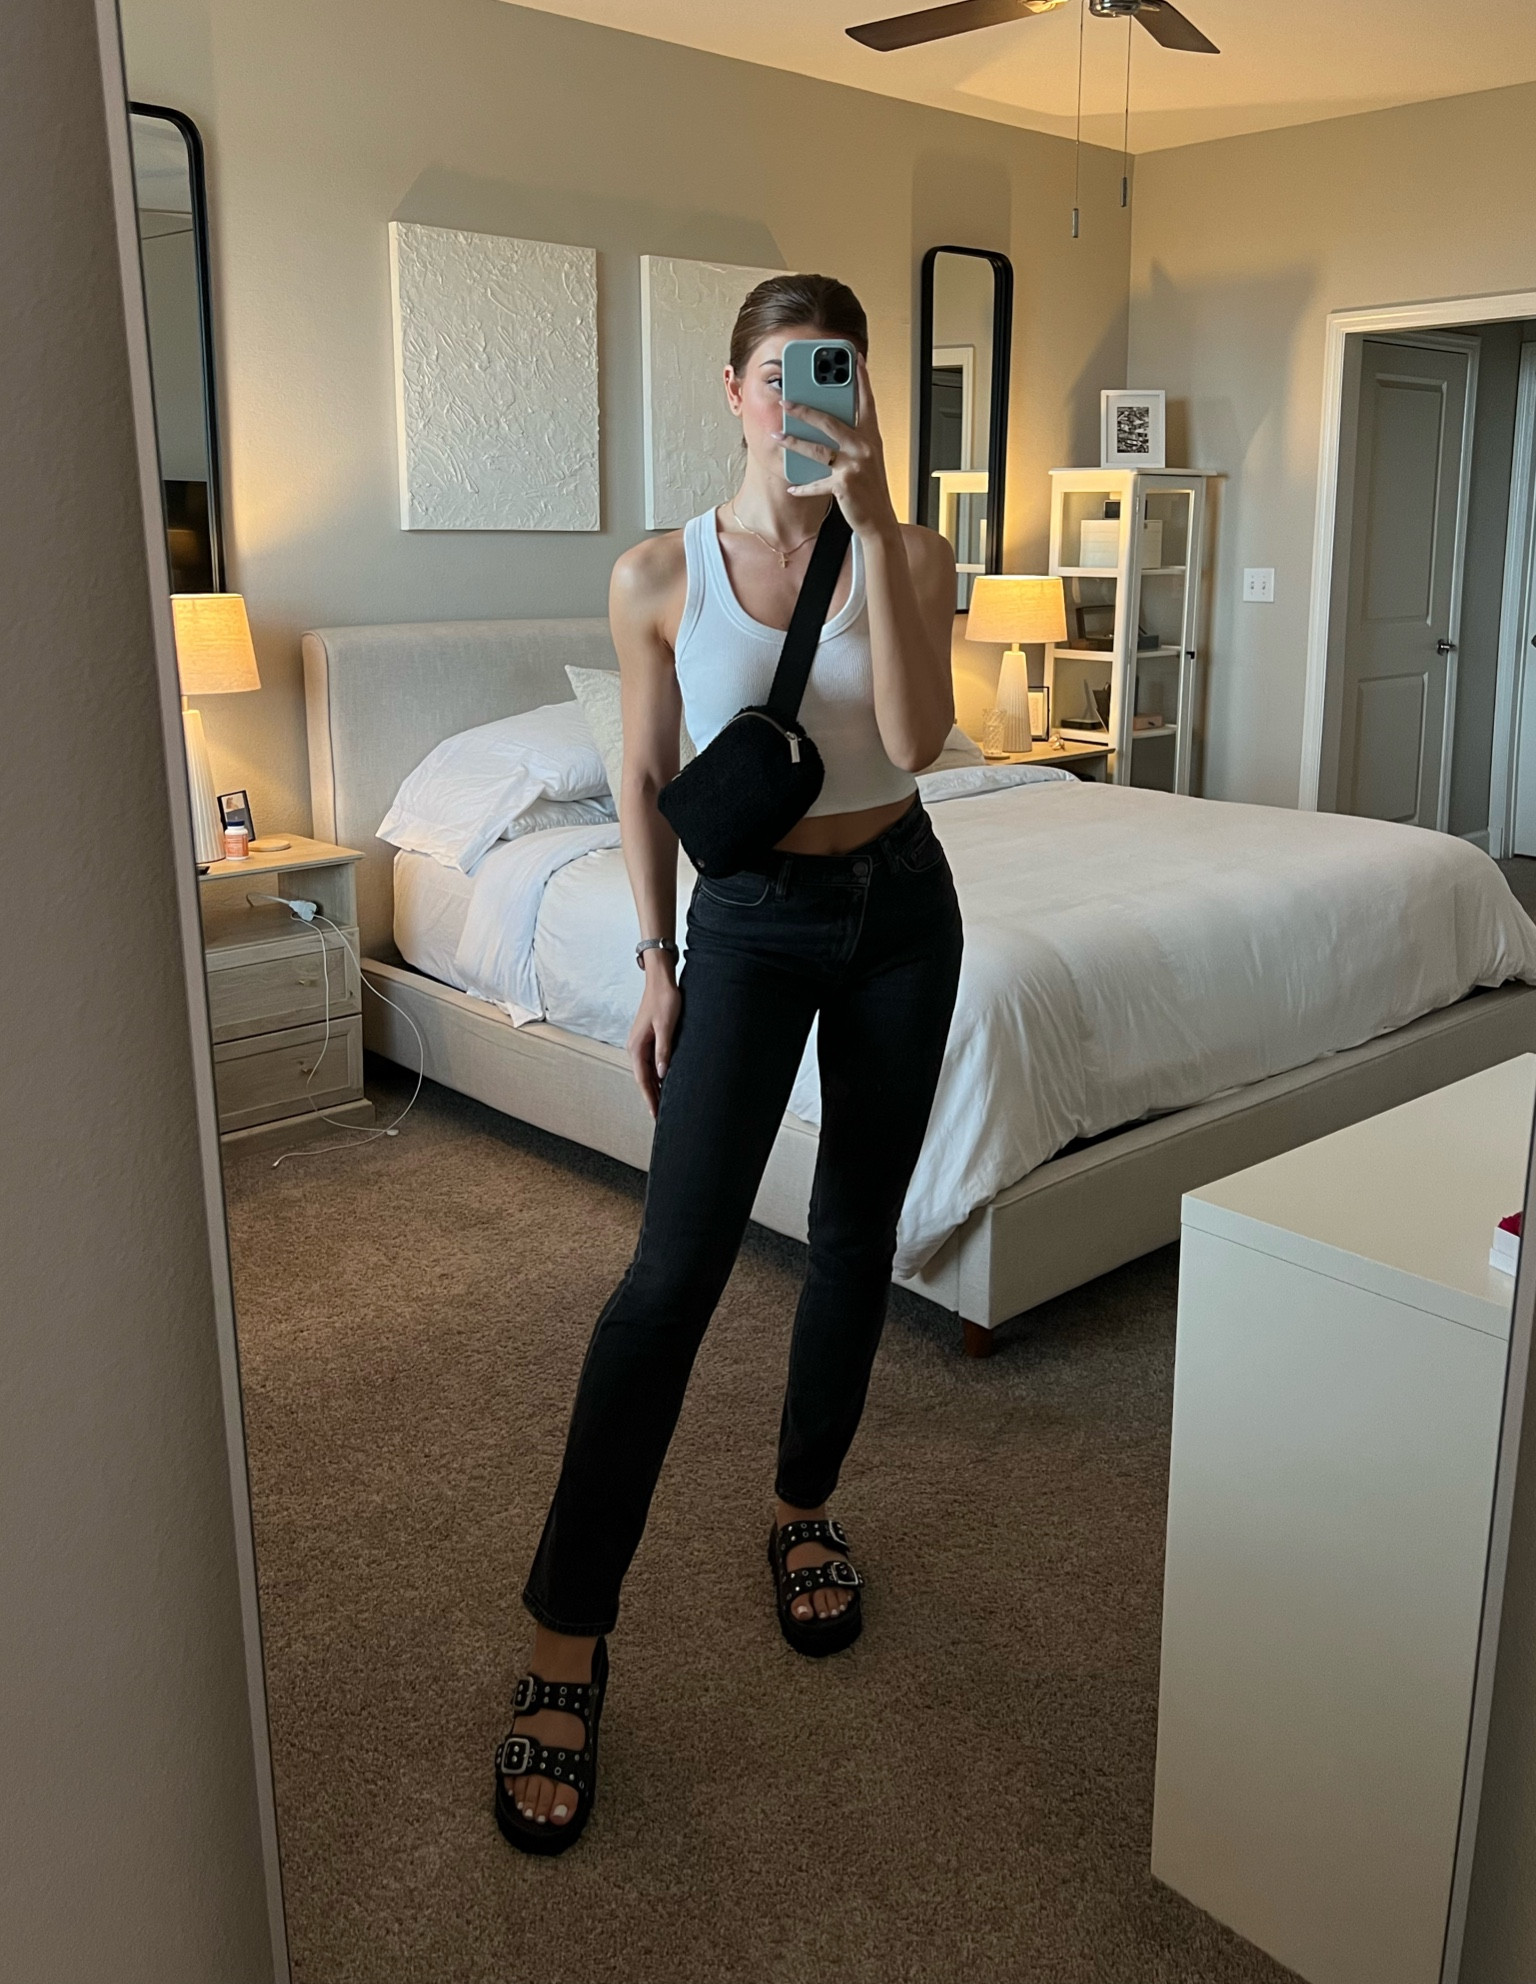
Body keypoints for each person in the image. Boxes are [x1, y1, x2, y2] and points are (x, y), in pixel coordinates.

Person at [495, 273, 963, 1855]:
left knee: (855, 1234)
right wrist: (654, 957)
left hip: (903, 911)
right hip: (751, 923)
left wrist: (876, 521)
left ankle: (801, 1506)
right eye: (783, 373)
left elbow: (917, 741)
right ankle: (567, 1634)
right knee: (671, 1274)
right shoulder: (658, 574)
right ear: (736, 389)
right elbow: (643, 775)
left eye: (836, 372)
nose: (807, 397)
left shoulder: (911, 553)